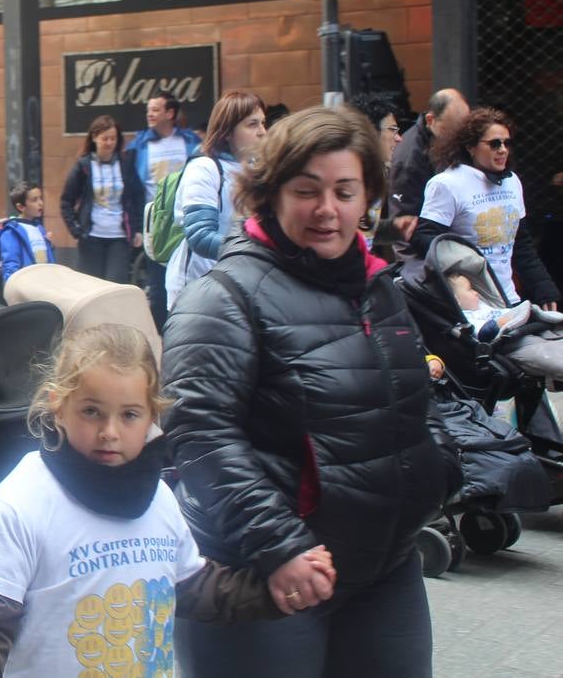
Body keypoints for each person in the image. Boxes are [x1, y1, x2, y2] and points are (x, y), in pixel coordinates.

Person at [161, 106, 463, 678]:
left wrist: (437, 467)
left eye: (345, 191)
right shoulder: (222, 296)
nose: (328, 210)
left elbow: (411, 393)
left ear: (367, 196)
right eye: (308, 190)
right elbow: (199, 434)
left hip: (386, 569)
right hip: (268, 578)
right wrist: (280, 547)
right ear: (270, 194)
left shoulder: (378, 285)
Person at [0, 324, 335, 677]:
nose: (110, 432)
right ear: (57, 405)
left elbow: (192, 586)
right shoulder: (22, 503)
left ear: (152, 416)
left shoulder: (159, 497)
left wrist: (273, 593)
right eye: (91, 411)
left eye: (129, 415)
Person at [411, 107, 559, 309]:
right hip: (472, 304)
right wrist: (458, 278)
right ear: (471, 147)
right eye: (494, 143)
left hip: (509, 300)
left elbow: (522, 245)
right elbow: (425, 239)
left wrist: (543, 287)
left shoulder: (512, 181)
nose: (503, 149)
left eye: (507, 143)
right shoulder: (447, 183)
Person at [164, 91, 267, 312]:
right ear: (228, 132)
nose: (262, 132)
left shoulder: (256, 171)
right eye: (252, 124)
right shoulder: (204, 168)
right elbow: (200, 237)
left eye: (263, 123)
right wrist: (257, 251)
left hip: (239, 285)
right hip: (197, 288)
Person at [127, 92, 201, 328]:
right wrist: (137, 225)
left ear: (170, 113)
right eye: (148, 109)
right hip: (155, 224)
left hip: (185, 220)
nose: (149, 114)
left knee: (188, 278)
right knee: (158, 286)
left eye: (155, 109)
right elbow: (132, 187)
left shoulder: (190, 141)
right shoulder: (138, 144)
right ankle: (163, 333)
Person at [61, 114, 144, 283]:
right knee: (91, 286)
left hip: (119, 237)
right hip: (91, 237)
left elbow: (137, 197)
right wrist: (76, 230)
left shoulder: (125, 163)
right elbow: (66, 201)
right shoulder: (83, 166)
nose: (109, 143)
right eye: (105, 138)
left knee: (115, 284)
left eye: (113, 138)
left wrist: (138, 229)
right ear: (94, 138)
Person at [345, 93, 414, 262]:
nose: (399, 138)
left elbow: (363, 230)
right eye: (392, 130)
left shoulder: (377, 173)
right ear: (370, 132)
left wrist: (394, 228)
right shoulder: (348, 176)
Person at [388, 87, 469, 224]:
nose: (459, 138)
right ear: (430, 120)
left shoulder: (461, 142)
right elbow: (405, 221)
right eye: (451, 131)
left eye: (464, 129)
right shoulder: (409, 158)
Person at [0, 180, 56, 281]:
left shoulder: (39, 228)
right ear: (21, 207)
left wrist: (49, 245)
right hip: (26, 287)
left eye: (41, 198)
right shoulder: (11, 232)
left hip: (44, 283)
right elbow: (10, 265)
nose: (41, 203)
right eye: (34, 200)